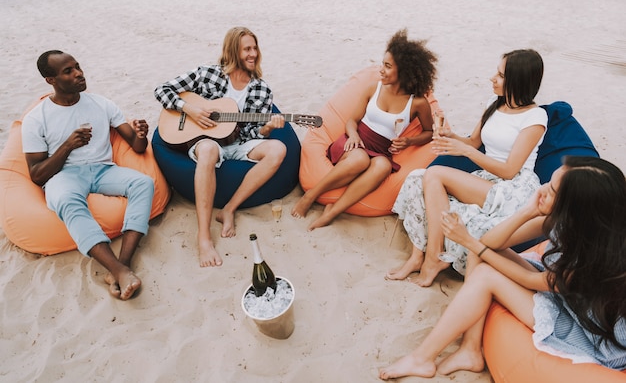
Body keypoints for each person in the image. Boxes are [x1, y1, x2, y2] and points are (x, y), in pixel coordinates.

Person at [379, 156, 626, 379]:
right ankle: (471, 349)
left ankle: (422, 358)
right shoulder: (565, 222)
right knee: (483, 252)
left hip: (588, 333)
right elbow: (492, 242)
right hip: (567, 299)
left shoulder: (594, 260)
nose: (541, 190)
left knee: (485, 270)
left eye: (550, 190)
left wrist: (469, 242)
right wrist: (528, 211)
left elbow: (533, 282)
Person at [388, 49, 547, 286]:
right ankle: (417, 257)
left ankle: (434, 258)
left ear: (518, 80)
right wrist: (449, 135)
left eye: (501, 75)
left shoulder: (535, 117)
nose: (492, 78)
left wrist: (466, 152)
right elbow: (473, 141)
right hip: (487, 180)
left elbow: (509, 170)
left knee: (435, 174)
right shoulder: (494, 104)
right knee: (416, 179)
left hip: (512, 187)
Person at [22, 50, 155, 301]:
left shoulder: (101, 104)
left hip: (104, 170)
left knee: (144, 183)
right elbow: (37, 175)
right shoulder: (36, 118)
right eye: (68, 71)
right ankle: (119, 270)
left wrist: (141, 134)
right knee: (66, 200)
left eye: (78, 66)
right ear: (50, 80)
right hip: (65, 174)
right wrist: (67, 146)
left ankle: (121, 266)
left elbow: (138, 147)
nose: (79, 73)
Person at [154, 27, 286, 268]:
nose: (253, 54)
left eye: (255, 48)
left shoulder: (262, 89)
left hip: (238, 143)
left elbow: (252, 133)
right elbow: (162, 90)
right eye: (247, 48)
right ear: (233, 50)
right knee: (208, 149)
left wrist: (267, 129)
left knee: (278, 149)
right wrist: (190, 109)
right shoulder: (207, 74)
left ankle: (229, 209)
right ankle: (203, 236)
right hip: (205, 142)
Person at [291, 29, 438, 230]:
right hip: (355, 142)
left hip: (381, 151)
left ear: (403, 71)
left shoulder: (418, 103)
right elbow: (352, 120)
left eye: (387, 66)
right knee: (360, 158)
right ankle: (310, 196)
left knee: (384, 167)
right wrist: (352, 135)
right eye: (382, 64)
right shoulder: (373, 88)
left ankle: (332, 211)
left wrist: (409, 141)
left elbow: (430, 133)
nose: (381, 70)